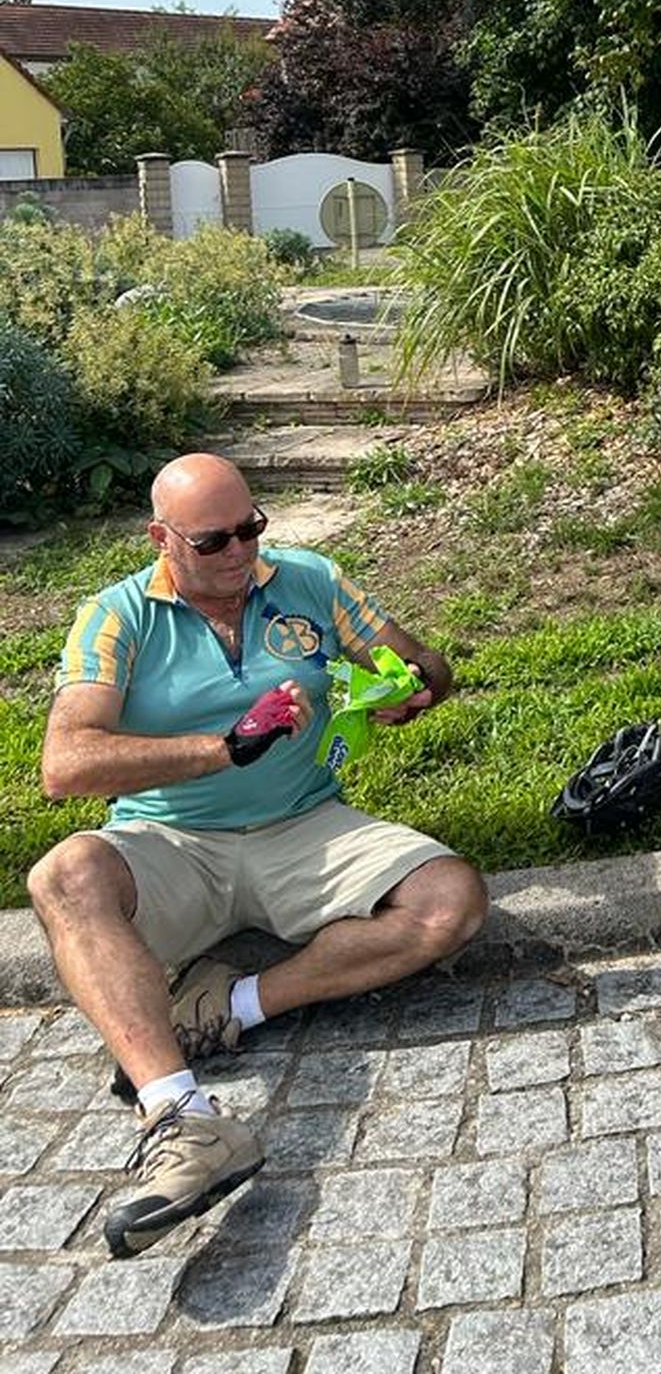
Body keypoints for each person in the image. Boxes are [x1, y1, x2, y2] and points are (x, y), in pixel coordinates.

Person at [27, 453, 488, 1259]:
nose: (240, 551)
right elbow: (65, 763)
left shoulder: (310, 579)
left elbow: (429, 661)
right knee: (65, 875)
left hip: (304, 824)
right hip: (170, 837)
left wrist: (412, 685)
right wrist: (223, 746)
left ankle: (232, 1004)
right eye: (213, 540)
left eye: (251, 528)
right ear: (161, 539)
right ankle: (182, 1118)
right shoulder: (116, 615)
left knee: (450, 901)